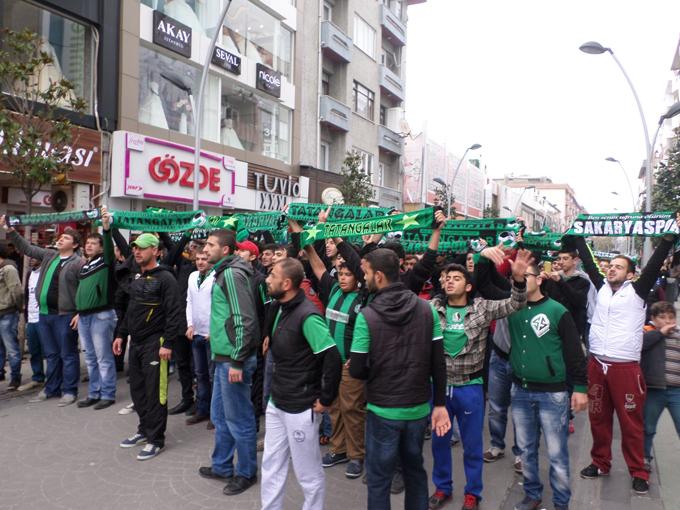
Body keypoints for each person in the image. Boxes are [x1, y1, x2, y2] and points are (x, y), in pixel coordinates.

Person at [572, 223, 679, 495]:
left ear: (631, 274)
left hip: (626, 368)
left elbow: (655, 265)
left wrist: (667, 237)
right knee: (598, 418)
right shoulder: (601, 287)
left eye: (619, 267)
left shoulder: (638, 291)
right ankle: (600, 462)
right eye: (611, 266)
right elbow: (588, 260)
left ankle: (638, 471)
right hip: (597, 364)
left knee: (631, 423)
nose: (611, 269)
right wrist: (577, 236)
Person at [349, 248, 451, 510]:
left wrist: (374, 364)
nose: (364, 278)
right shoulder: (427, 310)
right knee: (415, 472)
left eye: (367, 273)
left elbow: (357, 370)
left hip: (382, 410)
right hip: (417, 410)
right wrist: (439, 405)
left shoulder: (366, 317)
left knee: (379, 479)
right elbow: (438, 362)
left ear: (380, 276)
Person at [428, 251, 530, 510]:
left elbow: (515, 304)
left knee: (473, 445)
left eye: (456, 278)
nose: (449, 281)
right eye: (446, 278)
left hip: (470, 387)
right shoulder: (432, 309)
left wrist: (518, 280)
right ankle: (442, 487)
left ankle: (473, 493)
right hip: (439, 389)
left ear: (469, 285)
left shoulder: (482, 308)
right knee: (440, 443)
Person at [260, 258, 342, 510]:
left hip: (301, 407)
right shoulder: (279, 307)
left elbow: (332, 357)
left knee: (308, 473)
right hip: (277, 402)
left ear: (286, 283)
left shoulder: (308, 316)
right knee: (271, 465)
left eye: (271, 275)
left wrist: (326, 399)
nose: (266, 279)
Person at [292, 209, 367, 480]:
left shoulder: (365, 298)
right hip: (331, 363)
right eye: (341, 272)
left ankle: (357, 456)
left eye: (349, 273)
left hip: (351, 364)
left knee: (352, 409)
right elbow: (317, 263)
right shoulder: (333, 288)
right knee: (334, 406)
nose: (344, 276)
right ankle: (339, 449)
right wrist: (301, 233)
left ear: (358, 276)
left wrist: (333, 229)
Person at [507, 263, 588, 510]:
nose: (519, 279)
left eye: (525, 275)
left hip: (552, 394)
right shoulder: (512, 306)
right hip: (520, 391)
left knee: (556, 453)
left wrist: (581, 388)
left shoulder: (557, 310)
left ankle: (561, 503)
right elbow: (484, 283)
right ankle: (532, 494)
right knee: (526, 449)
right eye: (516, 276)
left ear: (539, 279)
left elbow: (575, 352)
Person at [199, 230, 260, 496]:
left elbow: (244, 319)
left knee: (239, 419)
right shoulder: (224, 272)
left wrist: (237, 360)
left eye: (211, 245)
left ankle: (246, 472)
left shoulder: (233, 275)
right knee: (221, 416)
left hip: (234, 361)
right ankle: (222, 466)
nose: (205, 249)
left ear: (225, 250)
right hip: (223, 357)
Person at [2, 216, 84, 406]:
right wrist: (11, 231)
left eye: (66, 238)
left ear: (75, 244)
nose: (61, 239)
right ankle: (51, 388)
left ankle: (70, 391)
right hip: (45, 314)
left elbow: (84, 290)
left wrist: (80, 312)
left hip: (65, 315)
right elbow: (27, 248)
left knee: (68, 354)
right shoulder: (50, 255)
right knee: (52, 354)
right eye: (61, 237)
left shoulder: (78, 263)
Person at [114, 233, 181, 461]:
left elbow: (175, 313)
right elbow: (132, 310)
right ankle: (143, 430)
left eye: (142, 248)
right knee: (138, 390)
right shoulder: (137, 278)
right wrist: (121, 335)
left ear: (156, 251)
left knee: (155, 392)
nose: (136, 251)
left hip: (157, 343)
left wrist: (168, 343)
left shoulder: (166, 279)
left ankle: (156, 440)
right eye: (135, 248)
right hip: (136, 343)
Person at [74, 208, 118, 410]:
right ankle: (94, 393)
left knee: (103, 358)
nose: (89, 246)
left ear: (101, 248)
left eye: (93, 243)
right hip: (84, 317)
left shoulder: (106, 261)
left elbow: (109, 245)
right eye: (87, 243)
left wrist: (106, 228)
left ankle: (108, 394)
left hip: (101, 315)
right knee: (90, 358)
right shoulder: (85, 265)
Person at [640, 301, 680, 470]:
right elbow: (640, 345)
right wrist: (660, 333)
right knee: (648, 427)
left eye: (671, 317)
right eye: (662, 317)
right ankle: (644, 457)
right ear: (653, 319)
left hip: (676, 391)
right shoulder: (648, 334)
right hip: (654, 390)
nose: (667, 321)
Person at [185, 251, 214, 426]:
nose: (200, 262)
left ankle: (215, 414)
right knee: (200, 374)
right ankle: (202, 409)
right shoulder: (192, 276)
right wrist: (189, 324)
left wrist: (215, 329)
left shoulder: (217, 277)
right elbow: (189, 301)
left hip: (211, 334)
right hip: (195, 332)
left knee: (213, 375)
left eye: (204, 258)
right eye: (198, 259)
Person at [18, 258, 45, 391]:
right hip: (31, 317)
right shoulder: (29, 274)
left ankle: (55, 377)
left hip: (43, 316)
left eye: (34, 257)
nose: (31, 260)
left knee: (49, 350)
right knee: (34, 350)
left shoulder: (45, 273)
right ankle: (38, 377)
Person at [0, 244, 24, 390]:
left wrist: (20, 307)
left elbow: (16, 290)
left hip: (7, 312)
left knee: (11, 347)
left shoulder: (8, 269)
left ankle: (15, 377)